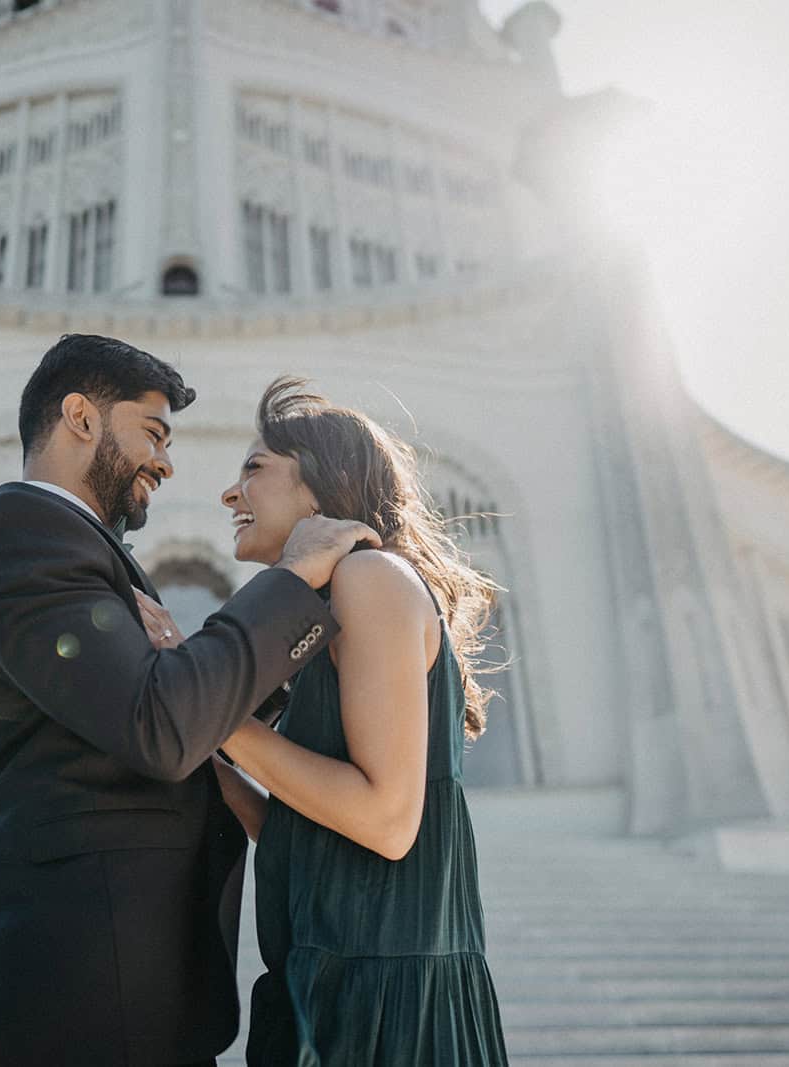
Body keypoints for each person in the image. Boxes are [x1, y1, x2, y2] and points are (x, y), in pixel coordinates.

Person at [0, 336, 379, 1067]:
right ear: (80, 417)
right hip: (77, 998)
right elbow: (162, 725)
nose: (165, 461)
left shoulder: (78, 549)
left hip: (130, 996)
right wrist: (289, 583)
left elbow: (166, 712)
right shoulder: (18, 535)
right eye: (153, 433)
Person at [136, 377, 509, 1065]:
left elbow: (387, 822)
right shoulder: (334, 602)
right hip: (328, 990)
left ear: (319, 487)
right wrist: (184, 725)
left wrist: (207, 703)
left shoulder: (369, 579)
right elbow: (306, 826)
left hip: (387, 1013)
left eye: (253, 468)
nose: (230, 493)